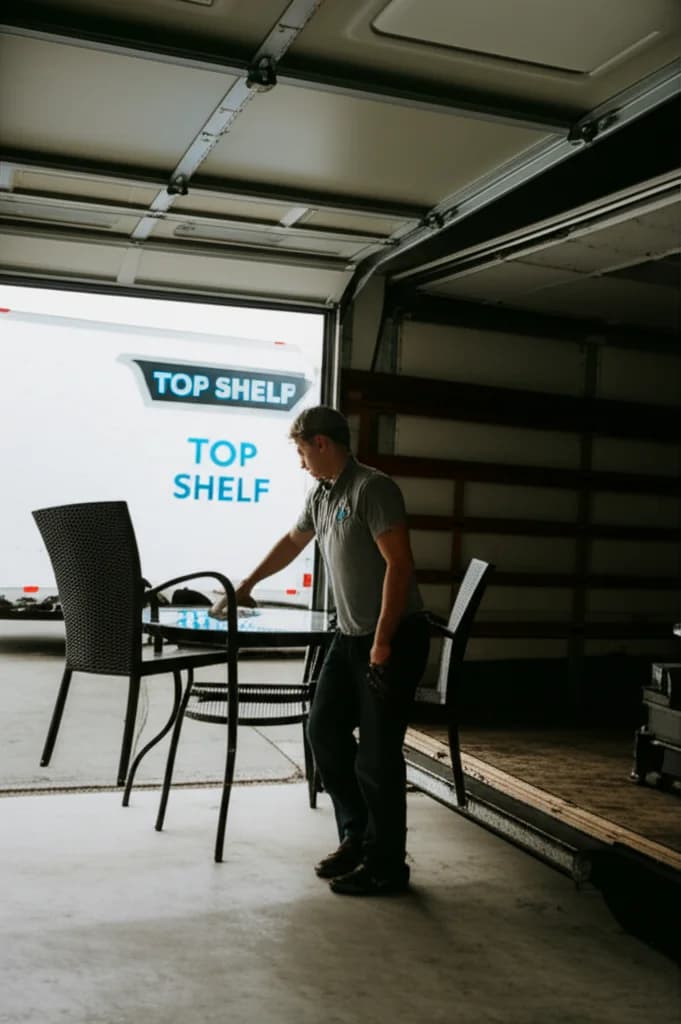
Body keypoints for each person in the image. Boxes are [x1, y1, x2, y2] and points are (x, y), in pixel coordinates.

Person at [223, 405, 430, 896]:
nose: (300, 463)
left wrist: (382, 643)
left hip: (391, 638)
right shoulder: (321, 494)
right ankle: (357, 837)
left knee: (377, 757)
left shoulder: (371, 488)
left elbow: (398, 566)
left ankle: (386, 866)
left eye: (301, 451)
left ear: (321, 443)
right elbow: (292, 543)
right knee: (324, 731)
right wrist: (247, 583)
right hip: (350, 636)